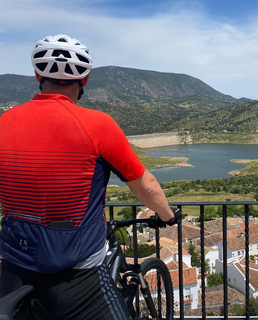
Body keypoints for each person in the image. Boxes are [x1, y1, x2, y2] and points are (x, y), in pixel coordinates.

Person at [0, 34, 176, 319]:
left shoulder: (3, 122)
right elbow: (146, 186)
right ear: (84, 80)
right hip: (78, 276)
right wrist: (168, 216)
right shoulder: (97, 124)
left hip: (13, 268)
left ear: (36, 75)